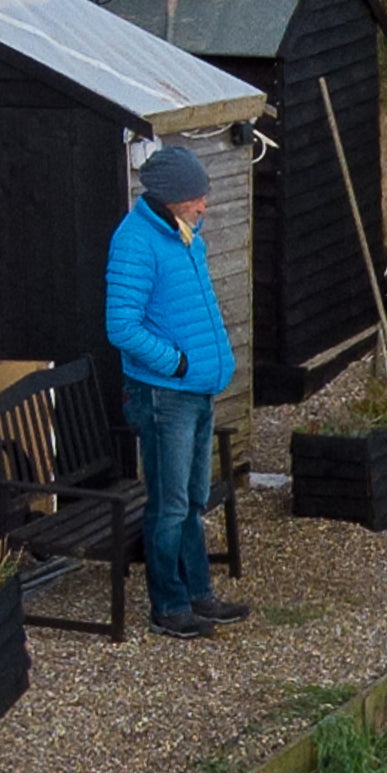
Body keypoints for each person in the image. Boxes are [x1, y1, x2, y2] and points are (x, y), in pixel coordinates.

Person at [104, 140, 242, 640]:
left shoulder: (185, 235)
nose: (204, 204)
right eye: (196, 197)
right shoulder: (136, 242)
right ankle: (168, 605)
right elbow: (121, 326)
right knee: (168, 503)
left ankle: (199, 595)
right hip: (165, 395)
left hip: (193, 389)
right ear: (169, 198)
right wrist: (178, 363)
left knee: (192, 497)